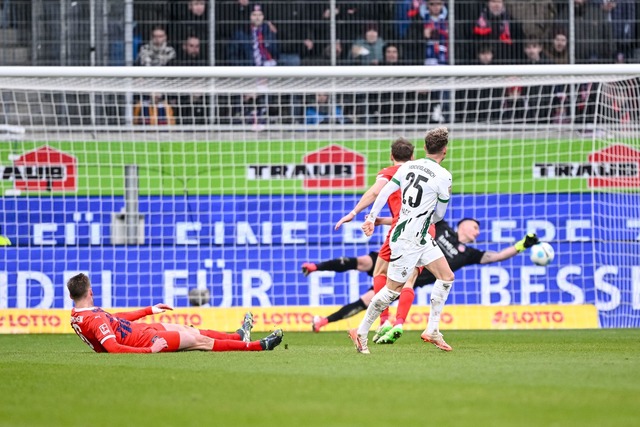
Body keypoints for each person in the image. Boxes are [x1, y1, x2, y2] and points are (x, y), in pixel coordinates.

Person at [305, 219, 539, 344]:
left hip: (409, 275)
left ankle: (324, 321)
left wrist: (521, 245)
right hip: (398, 255)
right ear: (462, 225)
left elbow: (495, 257)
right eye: (474, 227)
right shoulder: (443, 226)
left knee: (367, 301)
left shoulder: (468, 253)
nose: (477, 232)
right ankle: (316, 267)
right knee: (361, 262)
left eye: (478, 230)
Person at [348, 127, 454, 355]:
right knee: (391, 290)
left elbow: (384, 192)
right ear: (444, 151)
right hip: (408, 239)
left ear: (425, 148)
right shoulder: (444, 176)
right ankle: (361, 331)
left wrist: (371, 217)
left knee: (446, 277)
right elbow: (440, 215)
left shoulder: (407, 167)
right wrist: (427, 217)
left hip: (418, 236)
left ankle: (433, 330)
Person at [333, 137, 417, 351]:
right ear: (413, 156)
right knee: (414, 279)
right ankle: (403, 323)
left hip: (400, 229)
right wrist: (381, 221)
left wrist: (355, 213)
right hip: (424, 230)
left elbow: (375, 192)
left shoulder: (390, 172)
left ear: (392, 156)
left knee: (380, 270)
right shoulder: (422, 171)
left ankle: (385, 320)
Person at [67, 273, 283, 353]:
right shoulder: (93, 319)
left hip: (140, 330)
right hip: (144, 340)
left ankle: (238, 336)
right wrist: (151, 350)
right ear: (91, 291)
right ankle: (258, 346)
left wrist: (149, 310)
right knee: (200, 340)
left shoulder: (79, 314)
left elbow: (115, 319)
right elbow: (112, 347)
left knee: (187, 328)